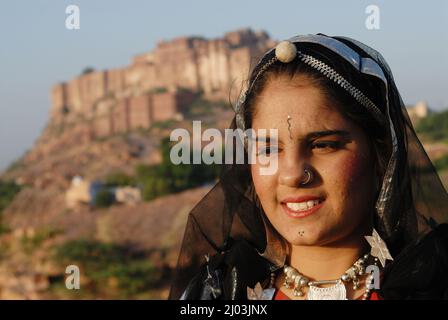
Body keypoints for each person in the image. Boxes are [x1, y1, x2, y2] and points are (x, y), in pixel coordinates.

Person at [168, 34, 448, 300]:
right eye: (267, 150)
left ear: (381, 155)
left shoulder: (431, 287)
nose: (292, 174)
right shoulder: (218, 295)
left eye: (323, 145)